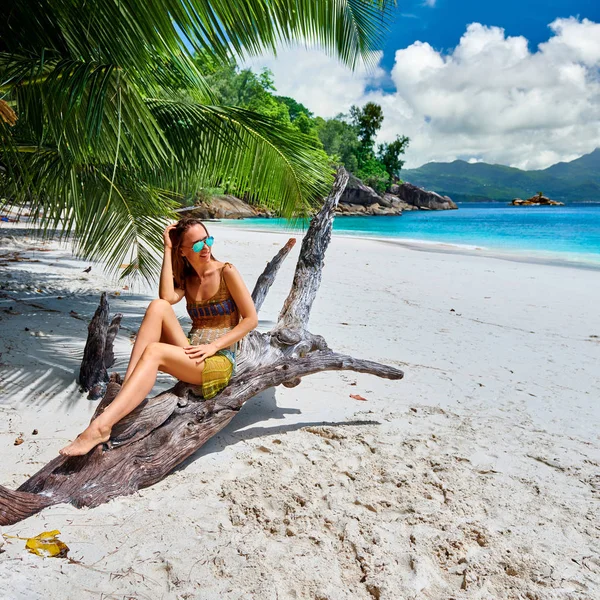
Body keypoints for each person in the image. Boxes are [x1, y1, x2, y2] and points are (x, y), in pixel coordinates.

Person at [59, 217, 258, 456]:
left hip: (218, 360)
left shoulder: (227, 271)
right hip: (192, 352)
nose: (205, 248)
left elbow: (250, 319)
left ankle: (100, 427)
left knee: (153, 351)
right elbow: (165, 296)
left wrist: (213, 346)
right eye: (196, 245)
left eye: (208, 240)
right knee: (157, 307)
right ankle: (125, 395)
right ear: (183, 252)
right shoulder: (189, 279)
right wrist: (167, 248)